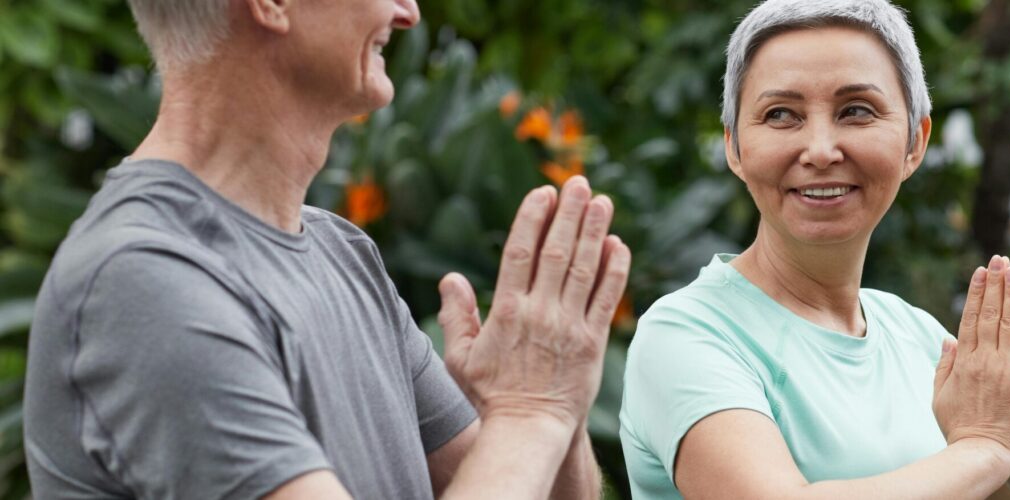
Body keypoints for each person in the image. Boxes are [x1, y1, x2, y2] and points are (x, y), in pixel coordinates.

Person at [22, 0, 630, 498]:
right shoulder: (140, 281)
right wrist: (529, 412)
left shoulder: (343, 252)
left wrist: (551, 400)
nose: (408, 12)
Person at [617, 0, 1010, 498]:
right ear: (734, 145)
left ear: (915, 140)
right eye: (781, 115)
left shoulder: (912, 335)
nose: (821, 150)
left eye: (856, 110)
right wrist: (985, 449)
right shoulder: (688, 334)